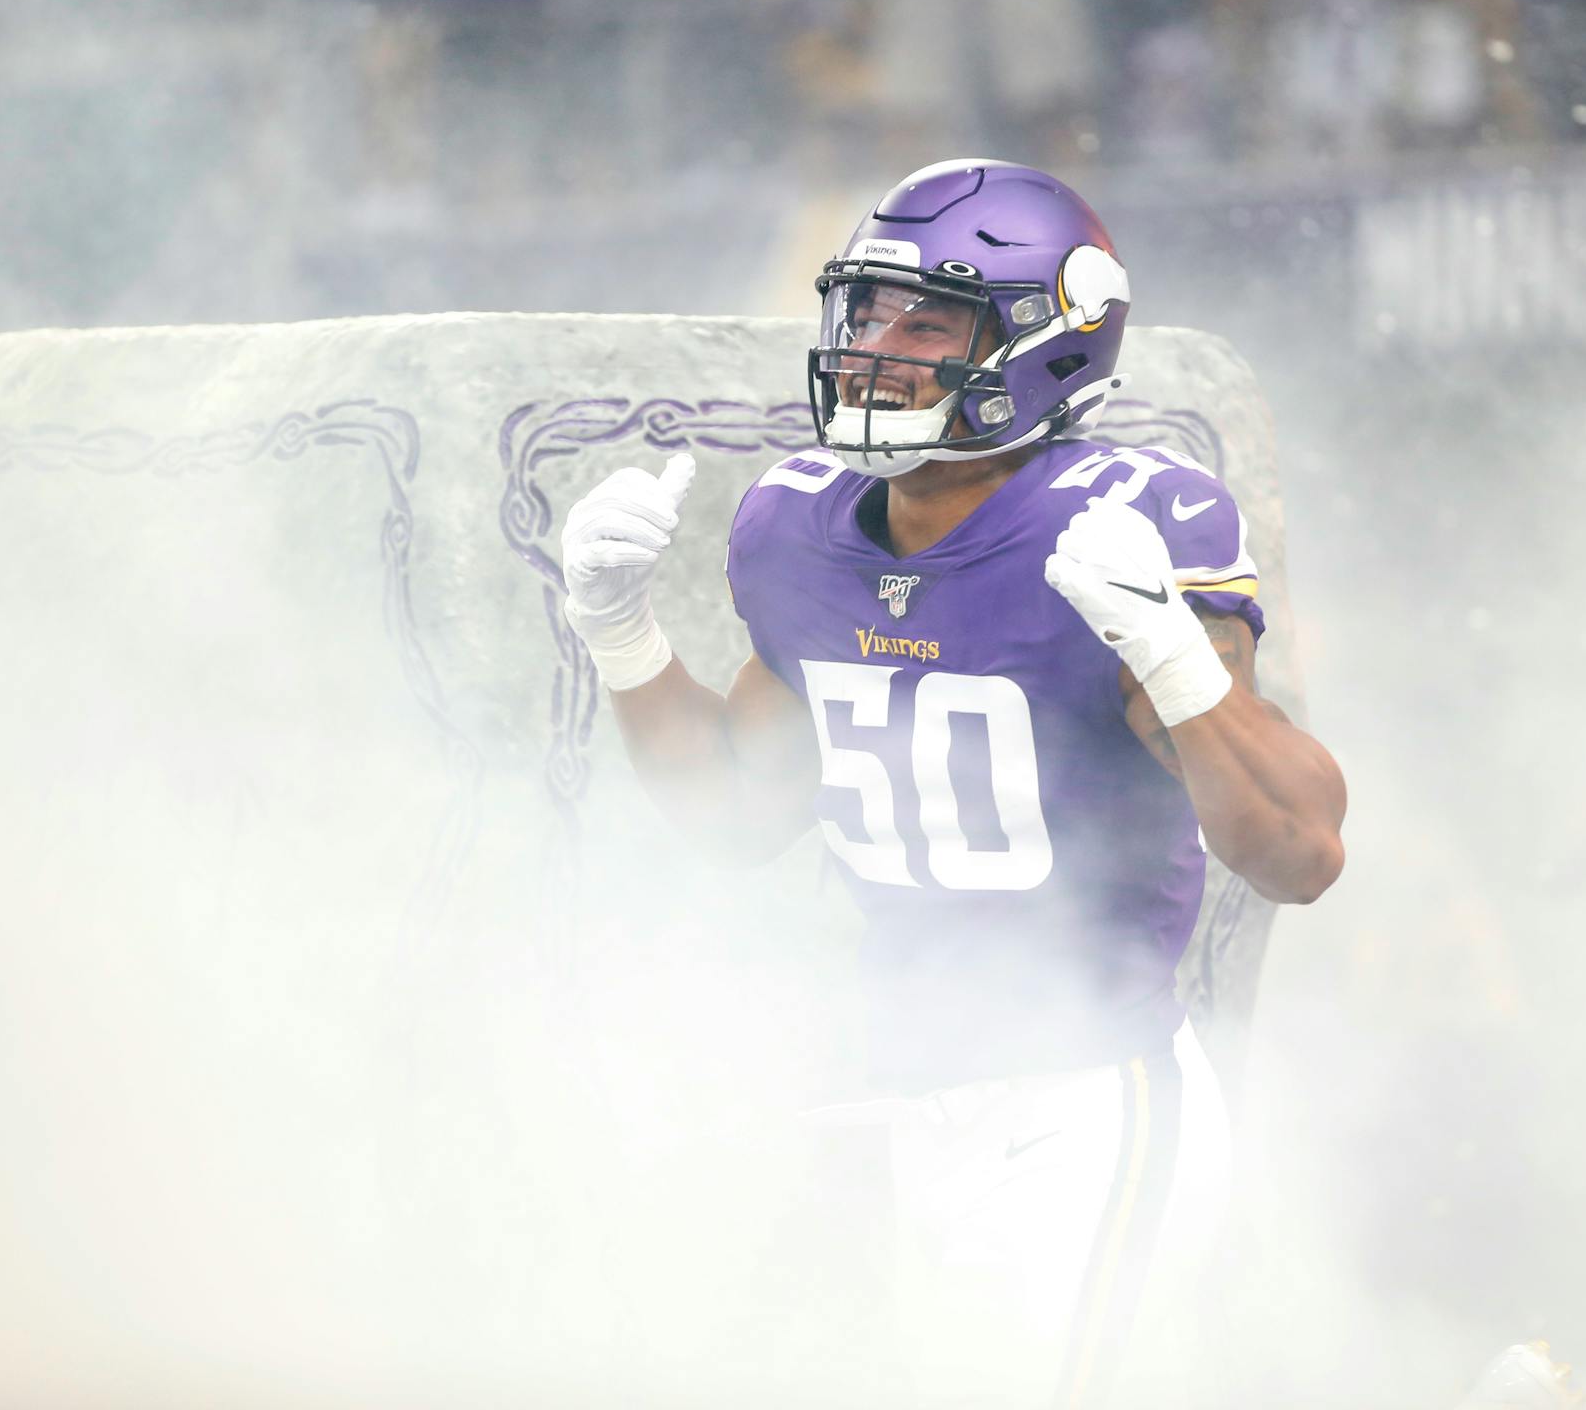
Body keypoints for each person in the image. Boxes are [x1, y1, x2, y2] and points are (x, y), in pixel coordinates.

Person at [560, 158, 1346, 1407]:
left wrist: (1172, 653)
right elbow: (734, 818)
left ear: (1050, 341)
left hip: (1090, 1099)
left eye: (929, 319)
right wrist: (619, 634)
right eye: (866, 313)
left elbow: (1300, 852)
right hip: (910, 1098)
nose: (879, 348)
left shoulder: (1123, 525)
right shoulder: (797, 526)